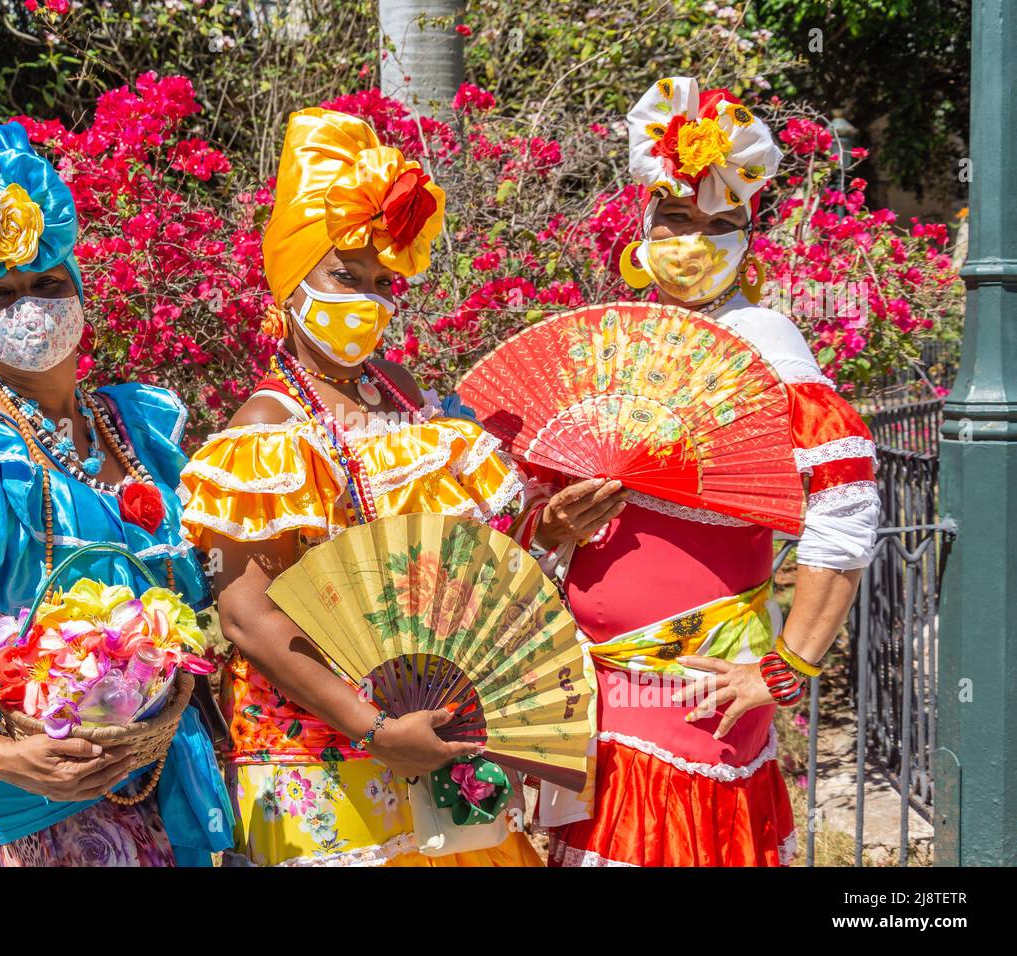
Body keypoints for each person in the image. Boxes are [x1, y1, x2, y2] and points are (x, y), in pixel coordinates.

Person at [514, 78, 880, 866]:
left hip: (695, 690)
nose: (696, 239)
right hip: (590, 685)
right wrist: (551, 524)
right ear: (642, 232)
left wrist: (784, 671)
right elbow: (536, 504)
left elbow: (845, 502)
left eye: (722, 225)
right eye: (677, 218)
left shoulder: (763, 337)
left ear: (749, 243)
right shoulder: (611, 341)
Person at [179, 107, 542, 866]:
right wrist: (376, 729)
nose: (368, 300)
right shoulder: (265, 426)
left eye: (384, 282)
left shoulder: (402, 395)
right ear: (292, 276)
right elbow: (247, 618)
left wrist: (556, 527)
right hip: (317, 760)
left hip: (433, 742)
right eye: (346, 275)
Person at [0, 122, 232, 867]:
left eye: (46, 285)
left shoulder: (137, 424)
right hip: (58, 792)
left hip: (179, 760)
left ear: (81, 296)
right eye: (1, 294)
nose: (28, 307)